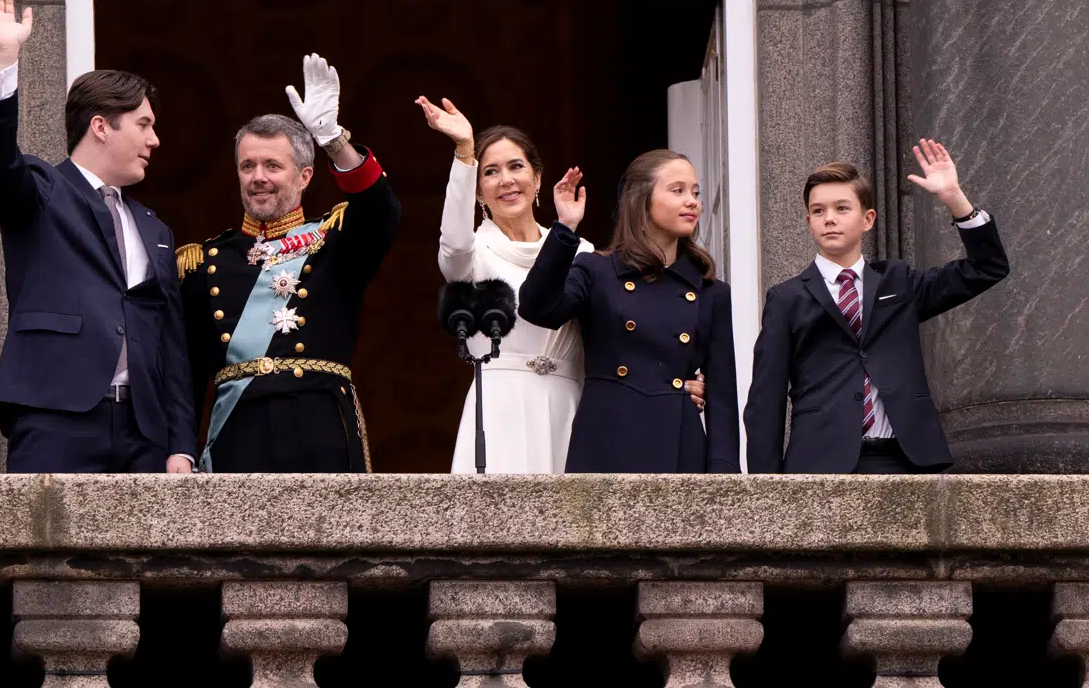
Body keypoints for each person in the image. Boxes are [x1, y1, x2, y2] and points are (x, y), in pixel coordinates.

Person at [0, 0, 196, 474]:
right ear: (101, 125)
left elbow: (170, 345)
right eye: (144, 124)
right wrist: (4, 61)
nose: (155, 140)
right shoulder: (41, 191)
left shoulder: (154, 227)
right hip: (56, 417)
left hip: (145, 434)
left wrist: (181, 443)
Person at [415, 98, 706, 474]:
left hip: (572, 405)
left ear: (537, 179)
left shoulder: (579, 251)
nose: (506, 180)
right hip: (502, 407)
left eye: (516, 166)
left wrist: (671, 381)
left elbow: (622, 335)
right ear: (477, 192)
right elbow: (453, 242)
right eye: (490, 172)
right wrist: (464, 152)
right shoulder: (471, 256)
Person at [179, 54, 399, 473]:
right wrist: (182, 449)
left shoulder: (335, 241)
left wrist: (333, 139)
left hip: (321, 431)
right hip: (237, 435)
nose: (258, 176)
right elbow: (184, 377)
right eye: (248, 166)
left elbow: (380, 210)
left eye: (272, 165)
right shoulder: (202, 262)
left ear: (304, 176)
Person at [744, 142, 1010, 474]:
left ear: (867, 219)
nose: (829, 219)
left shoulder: (899, 282)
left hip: (904, 458)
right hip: (818, 462)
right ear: (809, 222)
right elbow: (765, 400)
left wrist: (955, 199)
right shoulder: (786, 299)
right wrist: (765, 489)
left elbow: (987, 268)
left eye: (842, 208)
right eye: (818, 211)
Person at [518, 150, 739, 473]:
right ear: (641, 199)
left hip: (680, 449)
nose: (692, 201)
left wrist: (725, 479)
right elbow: (538, 308)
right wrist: (565, 228)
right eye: (677, 190)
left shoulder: (712, 292)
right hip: (606, 441)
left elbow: (722, 400)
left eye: (695, 193)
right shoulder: (597, 270)